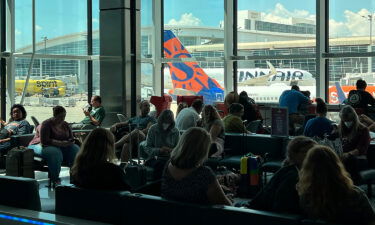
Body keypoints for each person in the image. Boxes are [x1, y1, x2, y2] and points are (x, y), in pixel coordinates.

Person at [297, 145, 375, 224]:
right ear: (337, 165)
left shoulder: (305, 197)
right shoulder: (355, 195)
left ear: (307, 168)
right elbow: (371, 221)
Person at [161, 127, 232, 205]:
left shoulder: (168, 165)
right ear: (203, 150)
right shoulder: (204, 174)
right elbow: (227, 207)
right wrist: (229, 198)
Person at [248, 136, 317, 214]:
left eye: (313, 151)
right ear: (294, 155)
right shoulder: (292, 177)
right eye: (306, 152)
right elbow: (280, 209)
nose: (311, 155)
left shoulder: (294, 173)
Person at [28, 106, 79, 187]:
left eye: (64, 116)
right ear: (55, 115)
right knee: (54, 152)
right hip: (39, 145)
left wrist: (69, 142)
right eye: (60, 117)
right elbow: (45, 141)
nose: (62, 119)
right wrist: (62, 143)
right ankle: (55, 179)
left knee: (75, 149)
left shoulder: (65, 124)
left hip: (59, 145)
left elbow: (71, 138)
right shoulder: (46, 124)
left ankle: (75, 176)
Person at [140, 109, 180, 178]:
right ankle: (160, 185)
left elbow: (178, 149)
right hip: (154, 158)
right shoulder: (153, 129)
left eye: (168, 123)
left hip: (170, 158)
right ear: (160, 121)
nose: (166, 125)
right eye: (164, 122)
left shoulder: (175, 131)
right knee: (162, 165)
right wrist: (159, 150)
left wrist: (170, 150)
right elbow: (147, 148)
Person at [338, 105, 370, 184]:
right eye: (344, 120)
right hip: (344, 157)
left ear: (354, 119)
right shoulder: (341, 128)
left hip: (358, 159)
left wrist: (348, 154)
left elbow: (361, 149)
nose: (346, 122)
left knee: (350, 161)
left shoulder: (363, 130)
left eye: (348, 120)